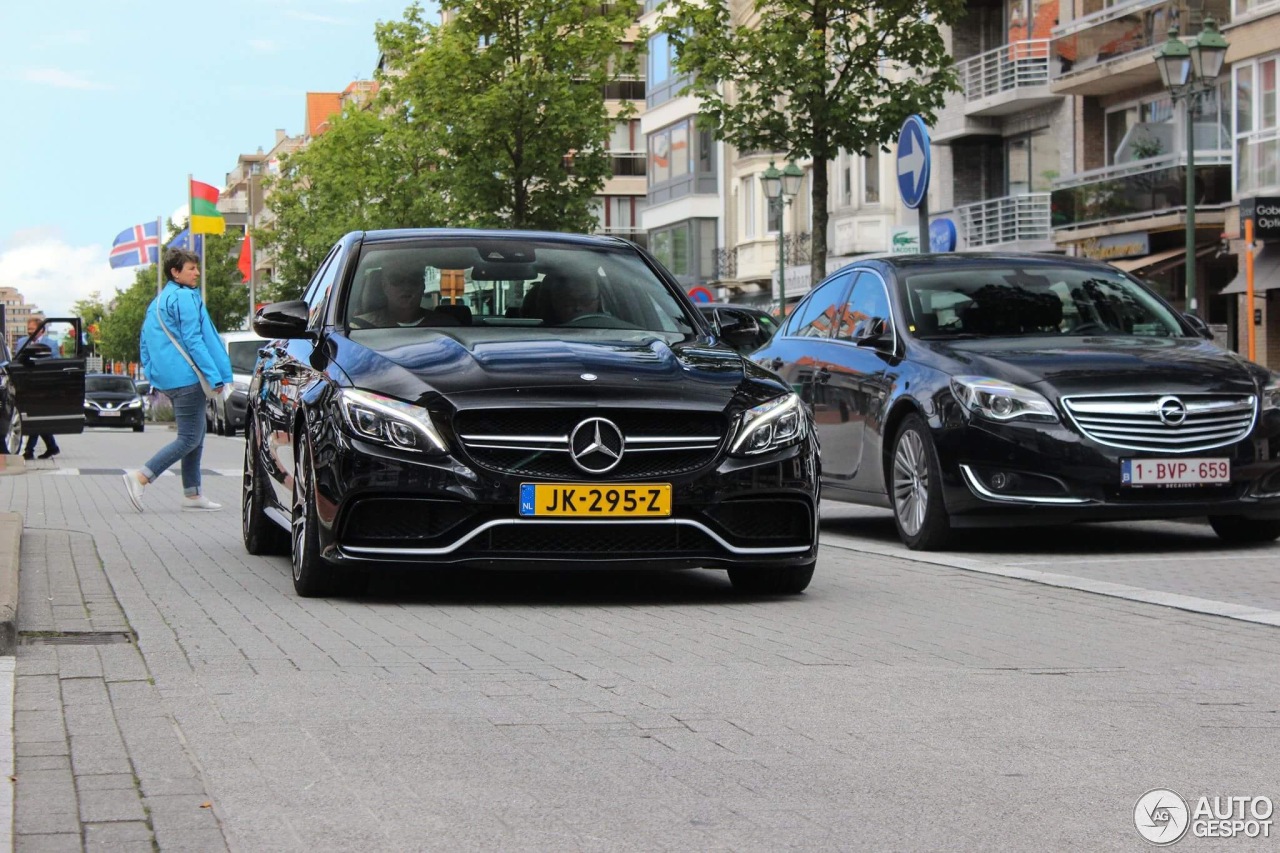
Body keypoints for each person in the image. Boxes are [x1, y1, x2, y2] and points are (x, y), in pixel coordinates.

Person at [122, 248, 232, 512]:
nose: (197, 272)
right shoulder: (184, 298)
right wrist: (214, 375)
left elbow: (145, 341)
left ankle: (192, 494)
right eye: (191, 268)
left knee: (197, 435)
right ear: (175, 272)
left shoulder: (160, 300)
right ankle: (141, 477)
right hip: (187, 376)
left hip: (170, 376)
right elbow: (194, 339)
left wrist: (152, 371)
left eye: (196, 267)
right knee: (189, 437)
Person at [15, 317, 61, 459]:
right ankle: (52, 447)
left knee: (37, 415)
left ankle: (29, 451)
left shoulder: (51, 343)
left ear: (41, 329)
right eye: (28, 329)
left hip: (44, 385)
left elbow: (56, 362)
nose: (29, 332)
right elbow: (17, 360)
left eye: (32, 329)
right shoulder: (22, 342)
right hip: (28, 385)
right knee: (35, 417)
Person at [354, 268, 458, 327]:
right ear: (384, 286)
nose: (406, 287)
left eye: (414, 280)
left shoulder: (447, 326)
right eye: (396, 279)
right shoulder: (359, 326)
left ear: (423, 286)